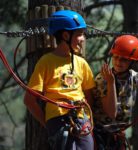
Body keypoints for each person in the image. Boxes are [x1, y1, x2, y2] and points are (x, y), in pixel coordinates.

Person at [24, 10, 95, 150]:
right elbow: (29, 100)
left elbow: (89, 95)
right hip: (58, 120)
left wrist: (87, 117)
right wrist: (48, 123)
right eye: (79, 34)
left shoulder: (81, 63)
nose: (83, 38)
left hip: (81, 118)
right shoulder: (46, 62)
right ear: (65, 35)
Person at [93, 35, 138, 150]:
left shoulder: (133, 77)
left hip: (118, 136)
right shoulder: (103, 79)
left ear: (132, 62)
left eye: (124, 59)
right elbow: (111, 113)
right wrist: (111, 83)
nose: (118, 62)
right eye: (116, 57)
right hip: (100, 136)